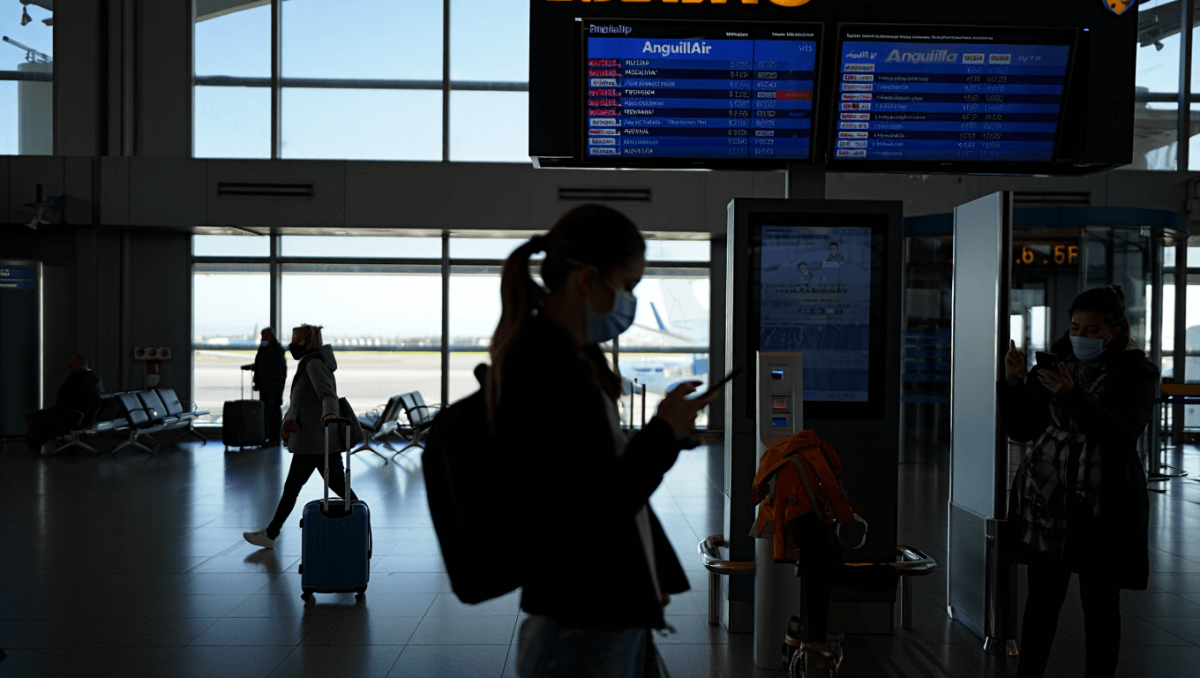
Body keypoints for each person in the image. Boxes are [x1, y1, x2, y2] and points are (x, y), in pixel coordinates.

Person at [491, 205, 718, 678]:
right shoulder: (548, 368)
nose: (628, 300)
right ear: (587, 280)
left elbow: (593, 479)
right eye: (629, 285)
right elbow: (598, 503)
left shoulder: (568, 358)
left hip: (599, 611)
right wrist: (662, 432)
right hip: (582, 621)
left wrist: (669, 435)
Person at [999, 285, 1156, 678]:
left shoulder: (1137, 371)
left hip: (1103, 507)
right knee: (1041, 602)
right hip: (1046, 503)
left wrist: (1073, 396)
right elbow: (1021, 429)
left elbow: (1121, 433)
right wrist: (1014, 382)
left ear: (1114, 332)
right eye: (1075, 327)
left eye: (1092, 330)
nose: (1080, 337)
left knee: (1101, 605)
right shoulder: (1056, 365)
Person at [244, 324, 355, 548]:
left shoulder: (313, 364)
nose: (292, 344)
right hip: (323, 439)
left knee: (292, 488)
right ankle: (361, 519)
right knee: (338, 485)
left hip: (313, 439)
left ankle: (271, 534)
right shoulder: (314, 362)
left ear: (309, 343)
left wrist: (330, 413)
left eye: (297, 340)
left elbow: (327, 394)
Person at [27, 354, 104, 452]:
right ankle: (39, 440)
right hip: (87, 416)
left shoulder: (76, 379)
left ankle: (34, 442)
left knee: (41, 416)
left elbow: (63, 396)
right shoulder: (96, 378)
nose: (70, 368)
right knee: (44, 416)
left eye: (72, 365)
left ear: (83, 365)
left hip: (74, 416)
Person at [250, 327, 287, 446]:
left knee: (273, 412)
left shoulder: (276, 350)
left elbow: (279, 371)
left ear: (270, 336)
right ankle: (268, 436)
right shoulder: (265, 348)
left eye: (264, 336)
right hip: (265, 386)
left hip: (273, 387)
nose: (262, 338)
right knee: (267, 412)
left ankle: (274, 437)